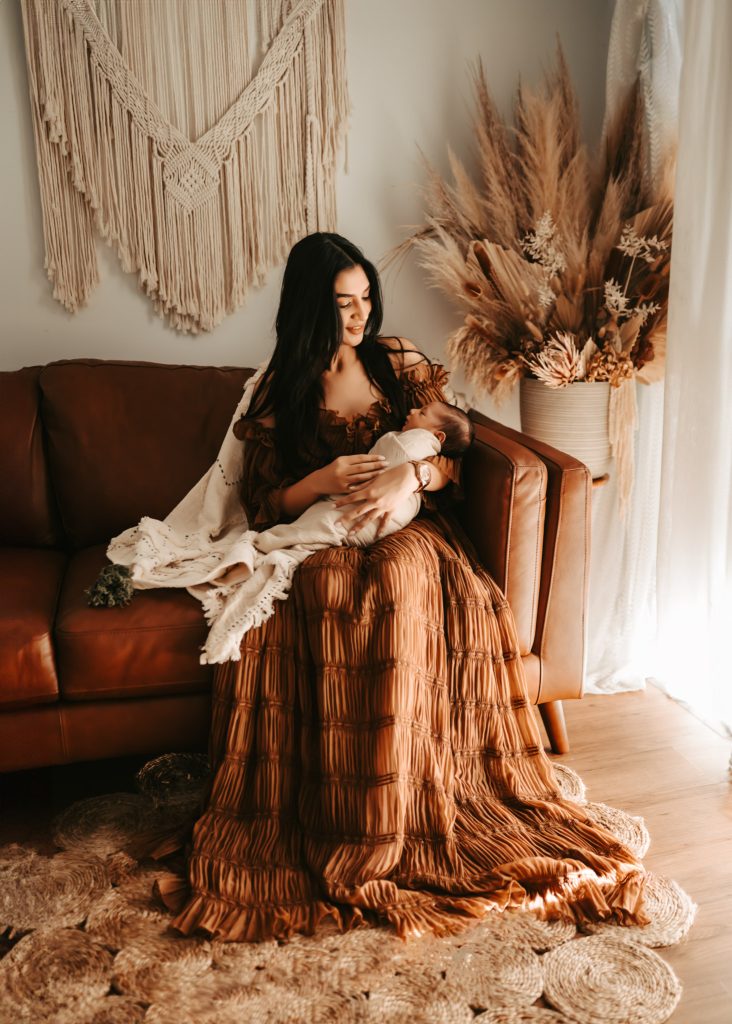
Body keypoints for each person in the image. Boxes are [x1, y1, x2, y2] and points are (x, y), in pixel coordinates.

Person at [152, 232, 648, 942]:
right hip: (324, 532)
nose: (359, 318)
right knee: (322, 588)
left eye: (364, 300)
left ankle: (402, 803)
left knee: (396, 578)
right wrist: (320, 482)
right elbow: (266, 508)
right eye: (342, 305)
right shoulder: (278, 389)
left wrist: (407, 474)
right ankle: (346, 810)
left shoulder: (397, 363)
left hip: (415, 525)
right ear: (307, 311)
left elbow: (455, 452)